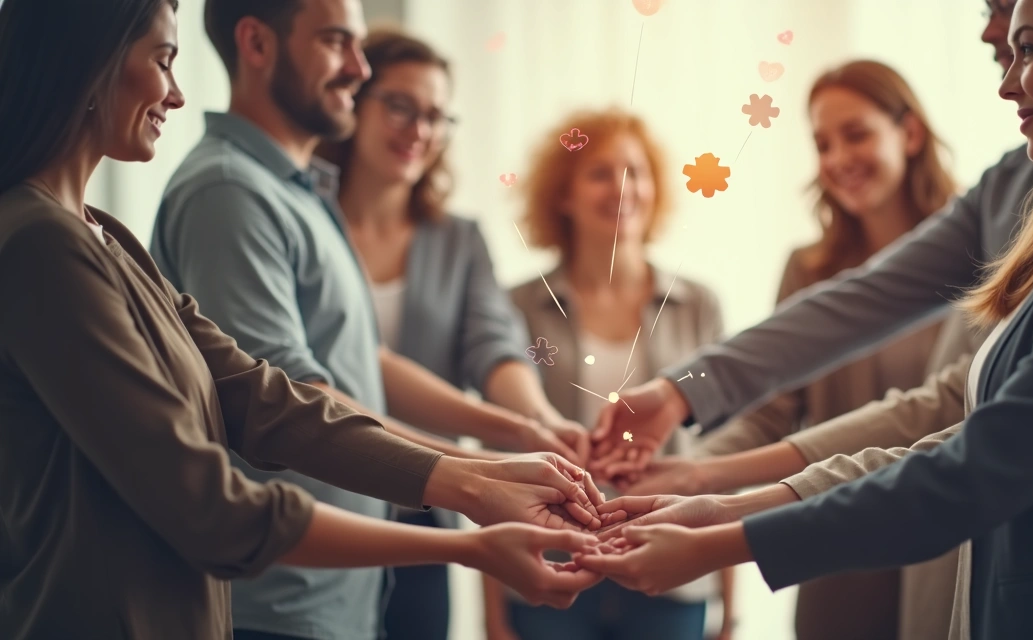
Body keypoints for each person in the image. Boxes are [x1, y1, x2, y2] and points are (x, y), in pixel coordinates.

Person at [583, 0, 1033, 638]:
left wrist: (724, 536)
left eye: (1026, 41)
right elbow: (903, 361)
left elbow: (974, 461)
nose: (1001, 67)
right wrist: (716, 496)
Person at [0, 1, 609, 639]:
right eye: (163, 61)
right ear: (86, 58)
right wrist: (466, 544)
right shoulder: (41, 244)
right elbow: (208, 504)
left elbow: (267, 401)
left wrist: (480, 479)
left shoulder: (107, 239)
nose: (177, 95)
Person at [615, 59, 956, 640]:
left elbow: (945, 410)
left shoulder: (982, 256)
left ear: (911, 133)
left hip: (943, 531)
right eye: (823, 143)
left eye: (857, 134)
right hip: (835, 541)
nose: (838, 159)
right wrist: (685, 473)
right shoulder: (810, 268)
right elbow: (771, 409)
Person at [312, 26, 591, 640]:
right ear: (356, 102)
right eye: (400, 106)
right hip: (318, 496)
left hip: (425, 505)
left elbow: (494, 344)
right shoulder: (307, 216)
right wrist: (512, 433)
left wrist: (538, 418)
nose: (418, 130)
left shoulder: (457, 238)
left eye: (436, 116)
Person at [482, 108, 733, 640]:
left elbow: (721, 449)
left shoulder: (697, 305)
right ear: (563, 195)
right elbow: (497, 453)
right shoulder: (518, 307)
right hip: (549, 564)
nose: (622, 188)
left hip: (672, 567)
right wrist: (493, 610)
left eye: (635, 172)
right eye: (599, 172)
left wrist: (730, 604)